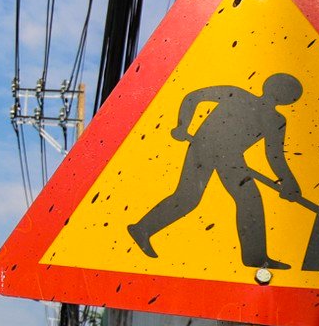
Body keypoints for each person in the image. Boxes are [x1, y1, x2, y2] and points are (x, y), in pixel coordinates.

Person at [126, 73, 306, 270]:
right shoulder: (237, 95)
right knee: (189, 198)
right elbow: (194, 97)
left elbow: (274, 155)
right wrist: (182, 125)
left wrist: (289, 182)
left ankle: (255, 257)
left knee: (249, 199)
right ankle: (142, 228)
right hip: (204, 146)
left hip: (232, 158)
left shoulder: (274, 119)